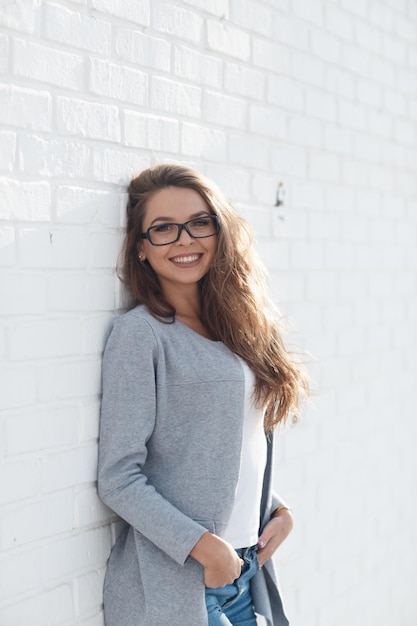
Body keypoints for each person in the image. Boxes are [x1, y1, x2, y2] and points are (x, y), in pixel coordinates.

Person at [97, 163, 308, 626]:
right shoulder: (141, 336)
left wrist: (275, 509)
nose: (185, 240)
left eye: (199, 223)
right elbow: (119, 477)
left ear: (219, 229)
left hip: (245, 571)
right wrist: (207, 550)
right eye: (163, 229)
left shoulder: (238, 329)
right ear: (141, 250)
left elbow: (222, 450)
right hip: (184, 583)